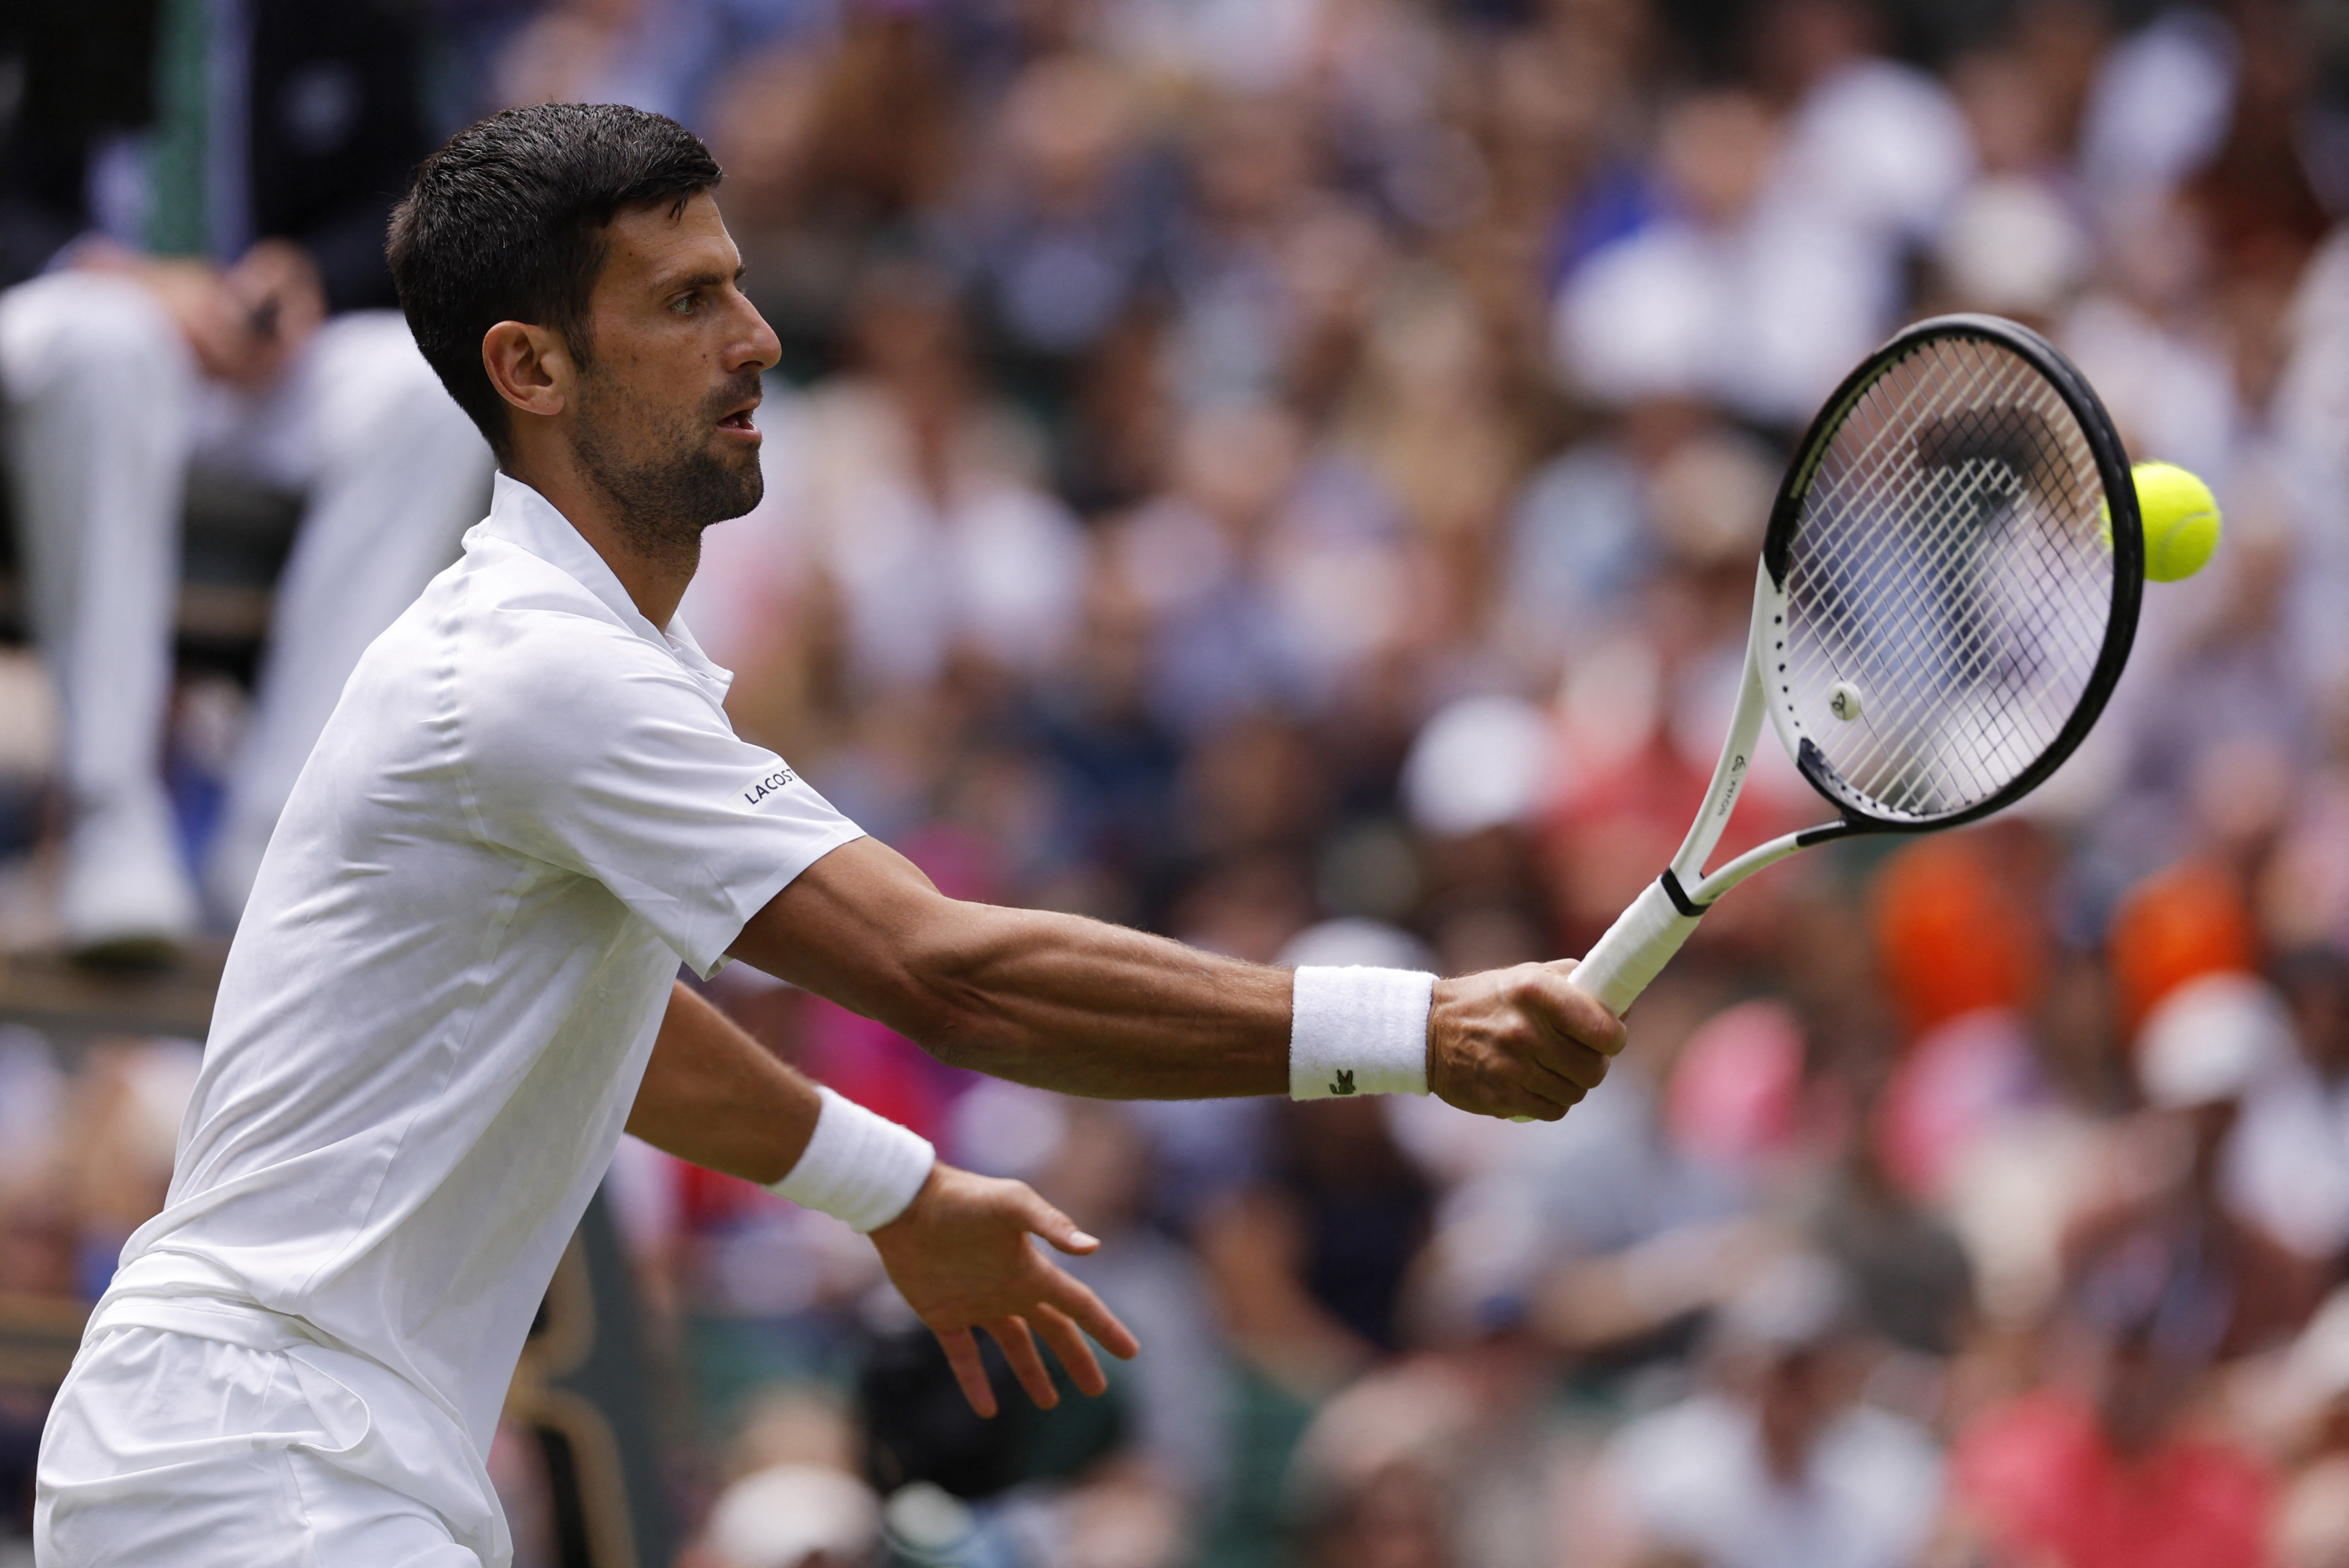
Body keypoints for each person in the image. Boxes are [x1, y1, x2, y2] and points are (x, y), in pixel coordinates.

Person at [31, 103, 1624, 1568]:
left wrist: (901, 1194)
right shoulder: (536, 672)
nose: (758, 339)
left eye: (736, 286)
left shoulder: (560, 665)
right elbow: (950, 978)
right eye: (683, 305)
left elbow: (615, 1032)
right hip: (261, 1465)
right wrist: (1417, 1026)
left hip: (285, 1455)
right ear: (530, 370)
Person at [0, 0, 499, 953]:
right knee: (100, 345)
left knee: (430, 391)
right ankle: (110, 815)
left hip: (260, 360)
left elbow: (418, 196)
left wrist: (308, 274)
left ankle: (283, 839)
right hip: (76, 337)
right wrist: (109, 272)